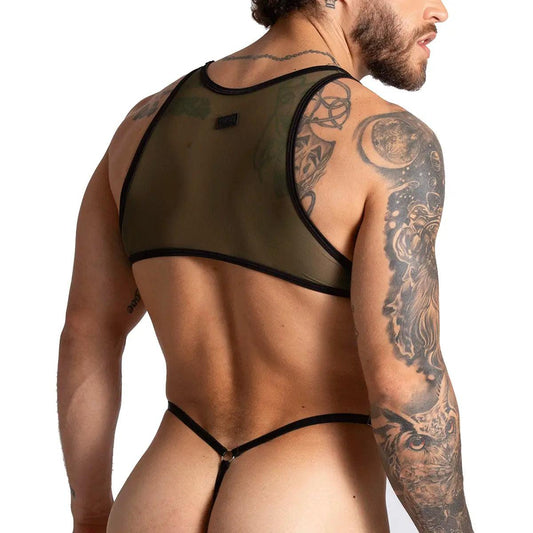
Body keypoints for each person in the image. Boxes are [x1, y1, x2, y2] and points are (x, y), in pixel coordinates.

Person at [57, 0, 474, 531]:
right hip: (303, 499)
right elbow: (405, 389)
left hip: (159, 495)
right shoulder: (389, 142)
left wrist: (92, 513)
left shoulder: (142, 126)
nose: (440, 10)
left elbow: (87, 334)